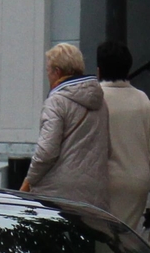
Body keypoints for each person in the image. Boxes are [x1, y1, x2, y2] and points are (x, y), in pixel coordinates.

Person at [20, 43, 108, 206]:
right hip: (95, 189)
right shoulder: (101, 101)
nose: (48, 76)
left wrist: (28, 181)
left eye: (48, 71)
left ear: (57, 72)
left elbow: (47, 152)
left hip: (59, 191)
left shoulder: (56, 101)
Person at [95, 39, 150, 227]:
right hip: (136, 183)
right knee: (127, 239)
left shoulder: (95, 99)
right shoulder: (143, 101)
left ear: (99, 70)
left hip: (103, 182)